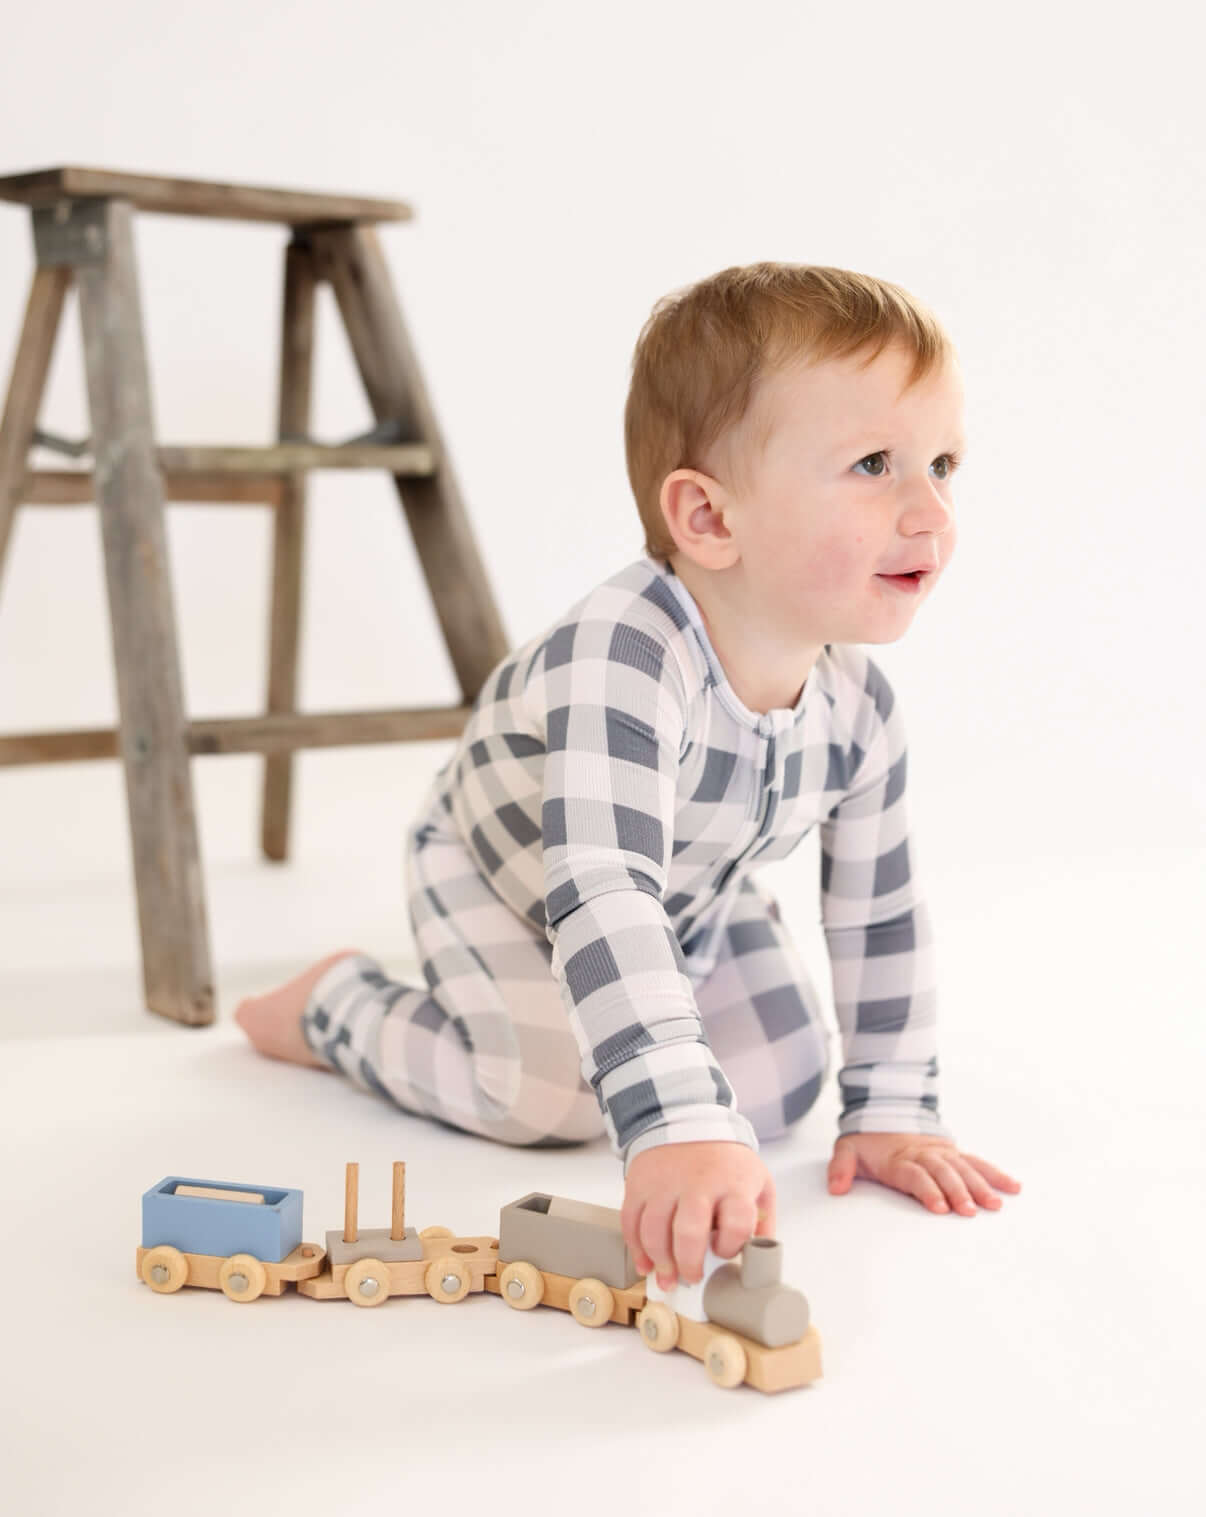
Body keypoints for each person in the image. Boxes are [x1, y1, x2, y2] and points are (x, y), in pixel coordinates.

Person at [236, 261, 1021, 1293]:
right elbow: (602, 886)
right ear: (709, 518)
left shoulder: (858, 707)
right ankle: (337, 1005)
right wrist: (675, 1122)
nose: (930, 512)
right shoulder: (627, 653)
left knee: (780, 1085)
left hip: (685, 901)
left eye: (943, 463)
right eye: (875, 464)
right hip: (508, 883)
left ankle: (659, 1036)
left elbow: (878, 910)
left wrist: (891, 1105)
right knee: (549, 1096)